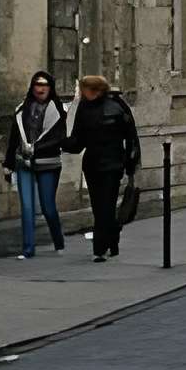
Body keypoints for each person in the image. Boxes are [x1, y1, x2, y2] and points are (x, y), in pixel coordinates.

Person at [65, 73, 139, 261]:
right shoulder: (83, 107)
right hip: (92, 164)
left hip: (113, 164)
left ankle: (99, 249)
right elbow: (78, 140)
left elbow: (131, 137)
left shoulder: (116, 106)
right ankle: (112, 240)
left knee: (105, 205)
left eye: (85, 90)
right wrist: (60, 142)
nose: (82, 94)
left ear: (96, 91)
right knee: (99, 207)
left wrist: (131, 165)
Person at [3, 71, 67, 258]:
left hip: (48, 163)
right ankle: (28, 249)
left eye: (45, 85)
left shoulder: (57, 110)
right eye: (37, 85)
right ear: (32, 88)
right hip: (24, 163)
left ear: (50, 88)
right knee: (27, 207)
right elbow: (14, 138)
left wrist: (35, 148)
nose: (41, 88)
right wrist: (8, 163)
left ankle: (58, 240)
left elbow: (58, 138)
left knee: (48, 207)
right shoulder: (22, 110)